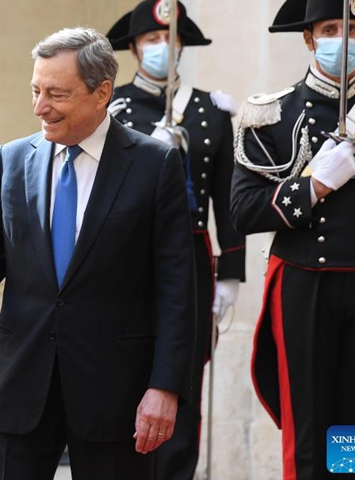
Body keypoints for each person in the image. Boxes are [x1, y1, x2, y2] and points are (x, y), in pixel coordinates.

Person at [0, 27, 196, 480]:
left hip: (116, 392)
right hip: (24, 385)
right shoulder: (11, 160)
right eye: (35, 90)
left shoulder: (155, 165)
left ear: (101, 93)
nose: (40, 106)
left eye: (57, 93)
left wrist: (165, 387)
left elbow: (177, 289)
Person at [230, 0, 355, 478]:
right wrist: (313, 186)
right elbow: (243, 211)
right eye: (329, 28)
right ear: (308, 38)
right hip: (306, 282)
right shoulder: (271, 113)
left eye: (353, 29)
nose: (341, 39)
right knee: (307, 420)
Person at [106, 2, 246, 478]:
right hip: (125, 257)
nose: (161, 48)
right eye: (150, 40)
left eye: (169, 40)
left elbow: (227, 198)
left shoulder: (212, 110)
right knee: (124, 375)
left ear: (182, 45)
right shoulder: (113, 108)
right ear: (132, 48)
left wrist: (231, 273)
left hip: (189, 254)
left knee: (182, 379)